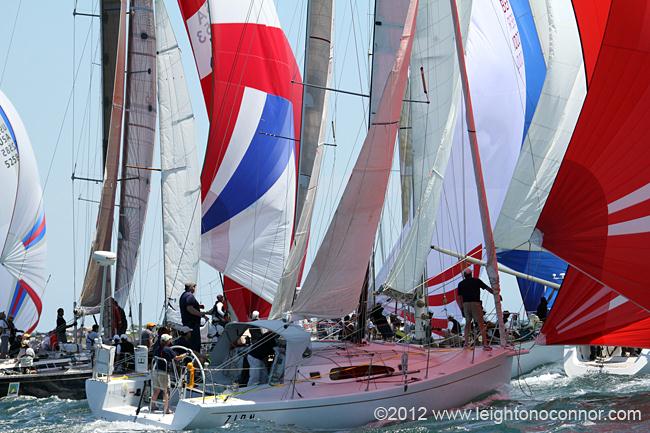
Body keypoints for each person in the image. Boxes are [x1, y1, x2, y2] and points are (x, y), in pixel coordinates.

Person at [457, 268, 495, 350]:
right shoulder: (476, 281)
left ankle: (466, 344)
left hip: (466, 305)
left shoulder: (461, 284)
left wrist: (461, 309)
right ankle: (485, 344)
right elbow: (487, 288)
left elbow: (459, 298)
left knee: (467, 324)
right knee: (481, 324)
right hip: (475, 304)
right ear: (471, 274)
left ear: (464, 276)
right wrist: (496, 294)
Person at [151, 334, 185, 414]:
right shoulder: (168, 349)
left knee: (157, 390)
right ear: (167, 341)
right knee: (166, 391)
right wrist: (186, 354)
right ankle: (166, 410)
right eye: (169, 339)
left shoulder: (157, 349)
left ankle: (152, 406)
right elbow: (177, 358)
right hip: (164, 373)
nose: (170, 341)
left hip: (156, 371)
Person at [179, 282, 205, 352]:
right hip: (192, 325)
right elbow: (189, 308)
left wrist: (198, 306)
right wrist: (201, 314)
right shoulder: (190, 296)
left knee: (189, 344)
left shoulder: (183, 295)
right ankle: (195, 361)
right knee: (195, 344)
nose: (194, 288)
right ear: (191, 288)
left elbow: (187, 306)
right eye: (194, 287)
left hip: (187, 323)